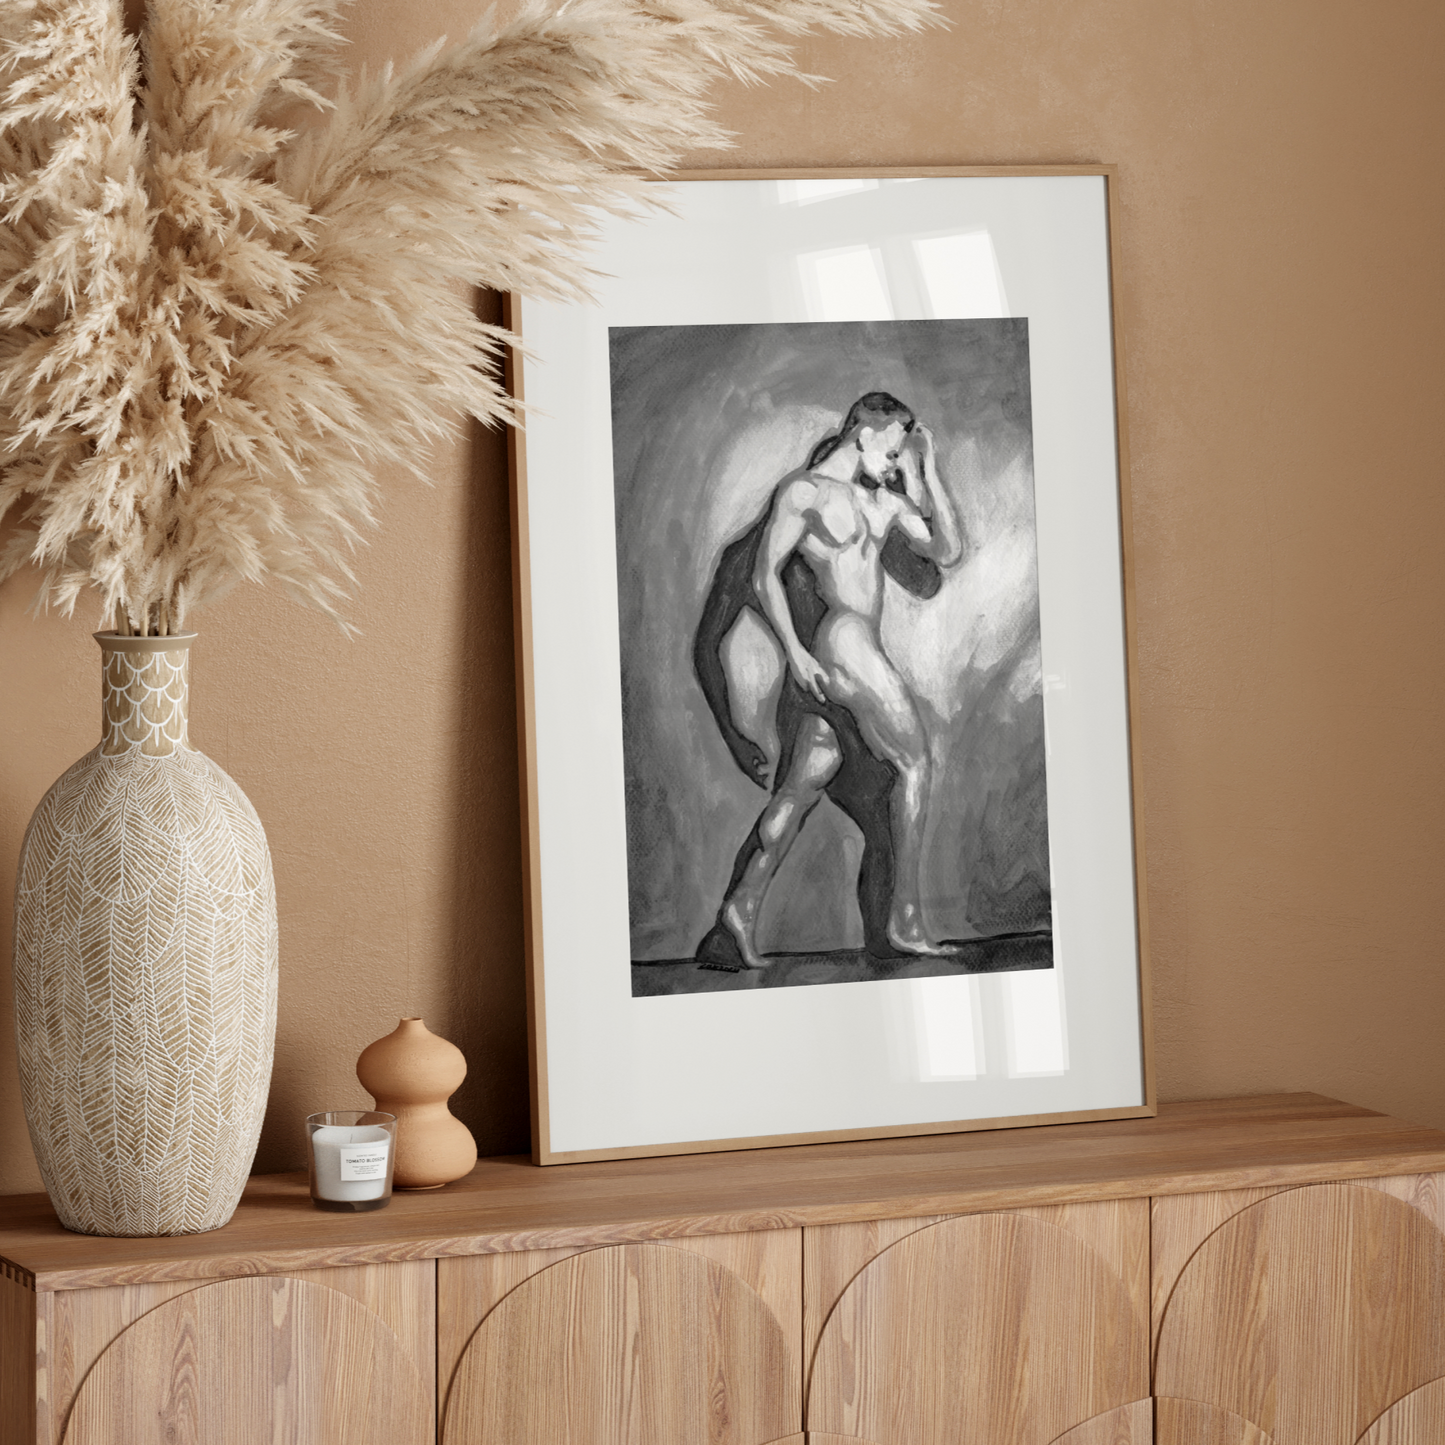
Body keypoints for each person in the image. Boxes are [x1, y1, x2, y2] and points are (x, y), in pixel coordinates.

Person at [693, 392, 963, 970]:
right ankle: (905, 919)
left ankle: (734, 919)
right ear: (863, 435)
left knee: (801, 786)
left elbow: (948, 548)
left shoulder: (881, 503)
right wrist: (793, 653)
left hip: (841, 656)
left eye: (900, 459)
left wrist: (925, 471)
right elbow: (765, 574)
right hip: (843, 645)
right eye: (893, 451)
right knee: (915, 762)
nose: (894, 465)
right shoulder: (803, 492)